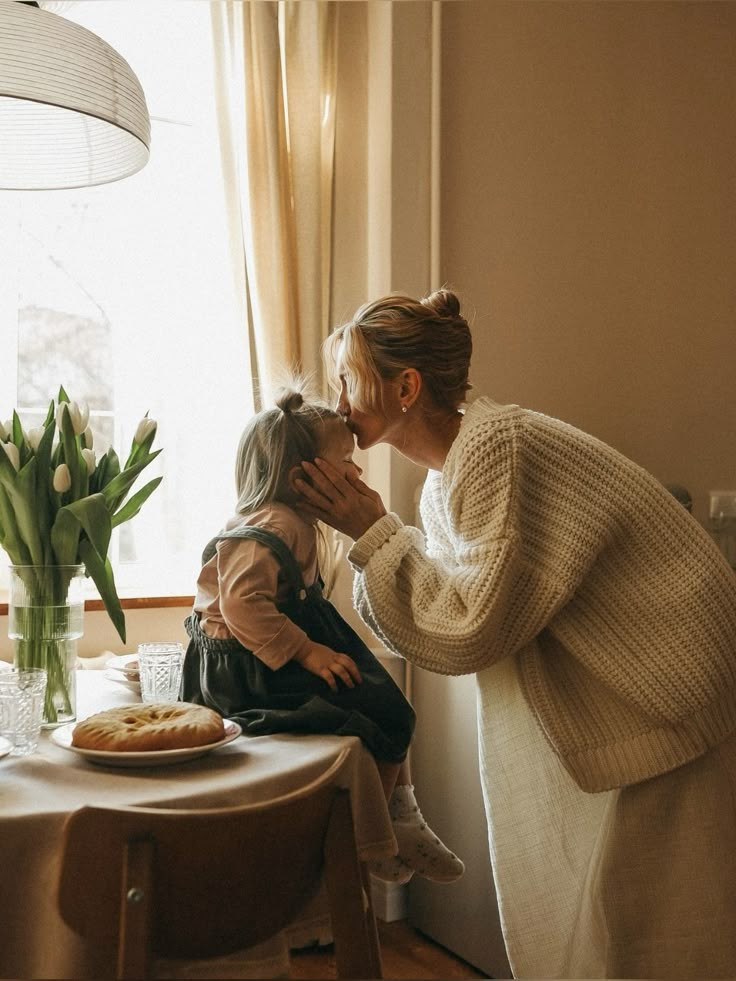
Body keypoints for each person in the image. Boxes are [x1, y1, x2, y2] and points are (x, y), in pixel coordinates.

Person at [292, 289, 736, 980]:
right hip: (647, 682)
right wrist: (372, 533)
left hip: (678, 675)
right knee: (624, 917)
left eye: (348, 378)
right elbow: (446, 616)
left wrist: (373, 532)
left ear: (406, 386)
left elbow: (470, 627)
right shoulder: (446, 481)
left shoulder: (498, 444)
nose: (338, 398)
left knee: (660, 922)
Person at [181, 387, 464, 886]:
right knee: (373, 718)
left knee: (393, 707)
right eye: (345, 462)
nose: (355, 473)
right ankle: (375, 835)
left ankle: (401, 813)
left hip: (278, 652)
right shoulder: (272, 524)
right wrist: (306, 650)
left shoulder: (297, 522)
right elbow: (241, 604)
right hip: (249, 671)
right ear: (301, 477)